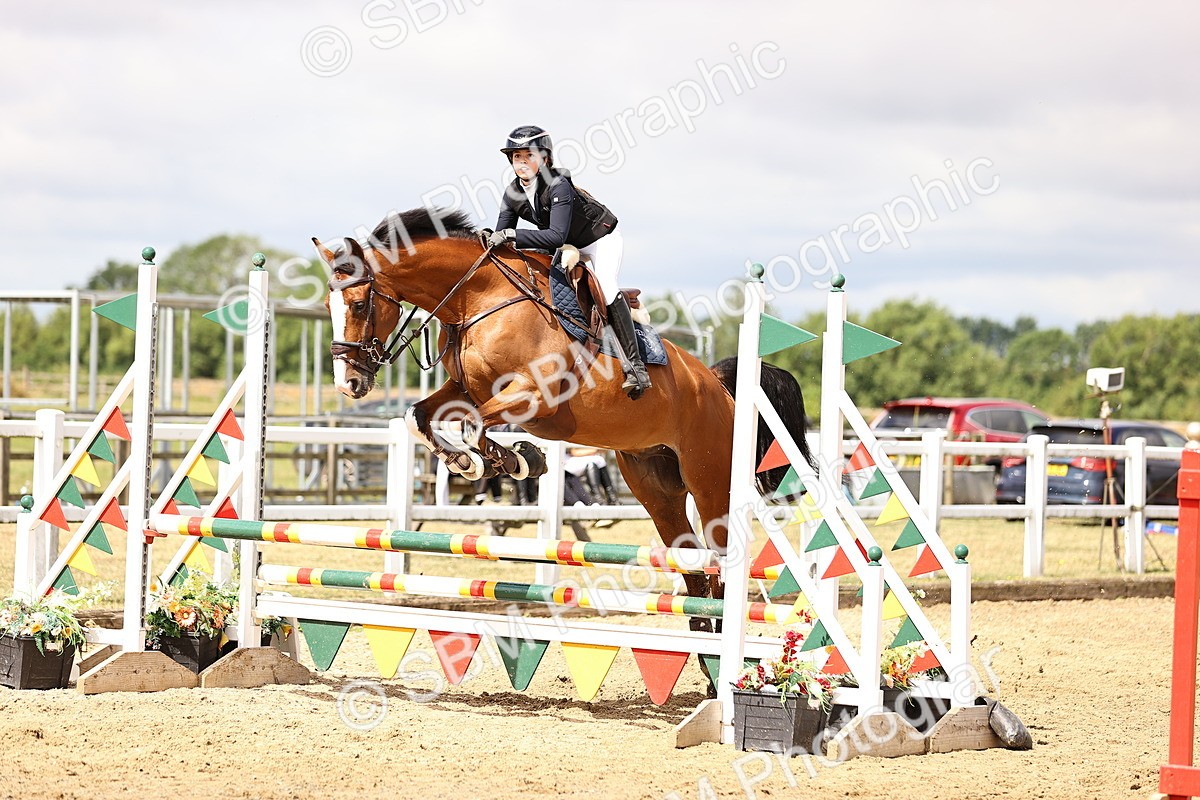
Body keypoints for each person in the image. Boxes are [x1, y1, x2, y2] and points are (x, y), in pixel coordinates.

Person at [487, 125, 651, 399]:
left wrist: (512, 234)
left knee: (608, 288)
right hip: (566, 245)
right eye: (516, 157)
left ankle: (635, 367)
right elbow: (501, 236)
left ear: (545, 159)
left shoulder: (558, 184)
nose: (522, 162)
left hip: (600, 239)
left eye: (529, 155)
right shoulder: (513, 193)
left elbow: (554, 235)